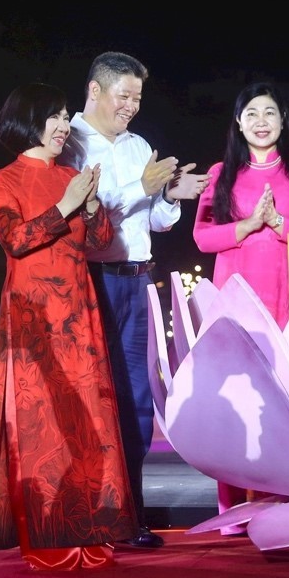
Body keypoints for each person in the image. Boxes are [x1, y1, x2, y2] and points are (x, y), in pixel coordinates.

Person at [0, 83, 138, 570]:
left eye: (66, 116)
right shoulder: (4, 181)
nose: (64, 125)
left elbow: (100, 239)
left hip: (79, 312)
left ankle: (91, 527)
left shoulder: (71, 175)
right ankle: (48, 534)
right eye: (54, 116)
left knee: (89, 419)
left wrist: (90, 207)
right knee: (44, 422)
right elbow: (16, 239)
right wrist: (67, 205)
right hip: (34, 317)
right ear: (28, 120)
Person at [62, 52, 208, 549]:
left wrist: (169, 196)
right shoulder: (69, 143)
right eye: (124, 96)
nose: (131, 106)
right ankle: (89, 513)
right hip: (94, 280)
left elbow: (156, 224)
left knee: (137, 401)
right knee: (94, 396)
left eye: (138, 99)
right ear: (95, 90)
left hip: (140, 280)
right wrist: (140, 186)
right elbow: (83, 215)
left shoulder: (139, 144)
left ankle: (129, 515)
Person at [193, 82, 289, 518]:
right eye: (251, 113)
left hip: (286, 297)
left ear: (283, 120)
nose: (261, 121)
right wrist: (248, 225)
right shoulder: (220, 174)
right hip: (236, 299)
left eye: (269, 112)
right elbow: (202, 237)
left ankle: (283, 502)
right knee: (235, 400)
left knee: (285, 403)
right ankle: (231, 509)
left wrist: (278, 222)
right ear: (238, 122)